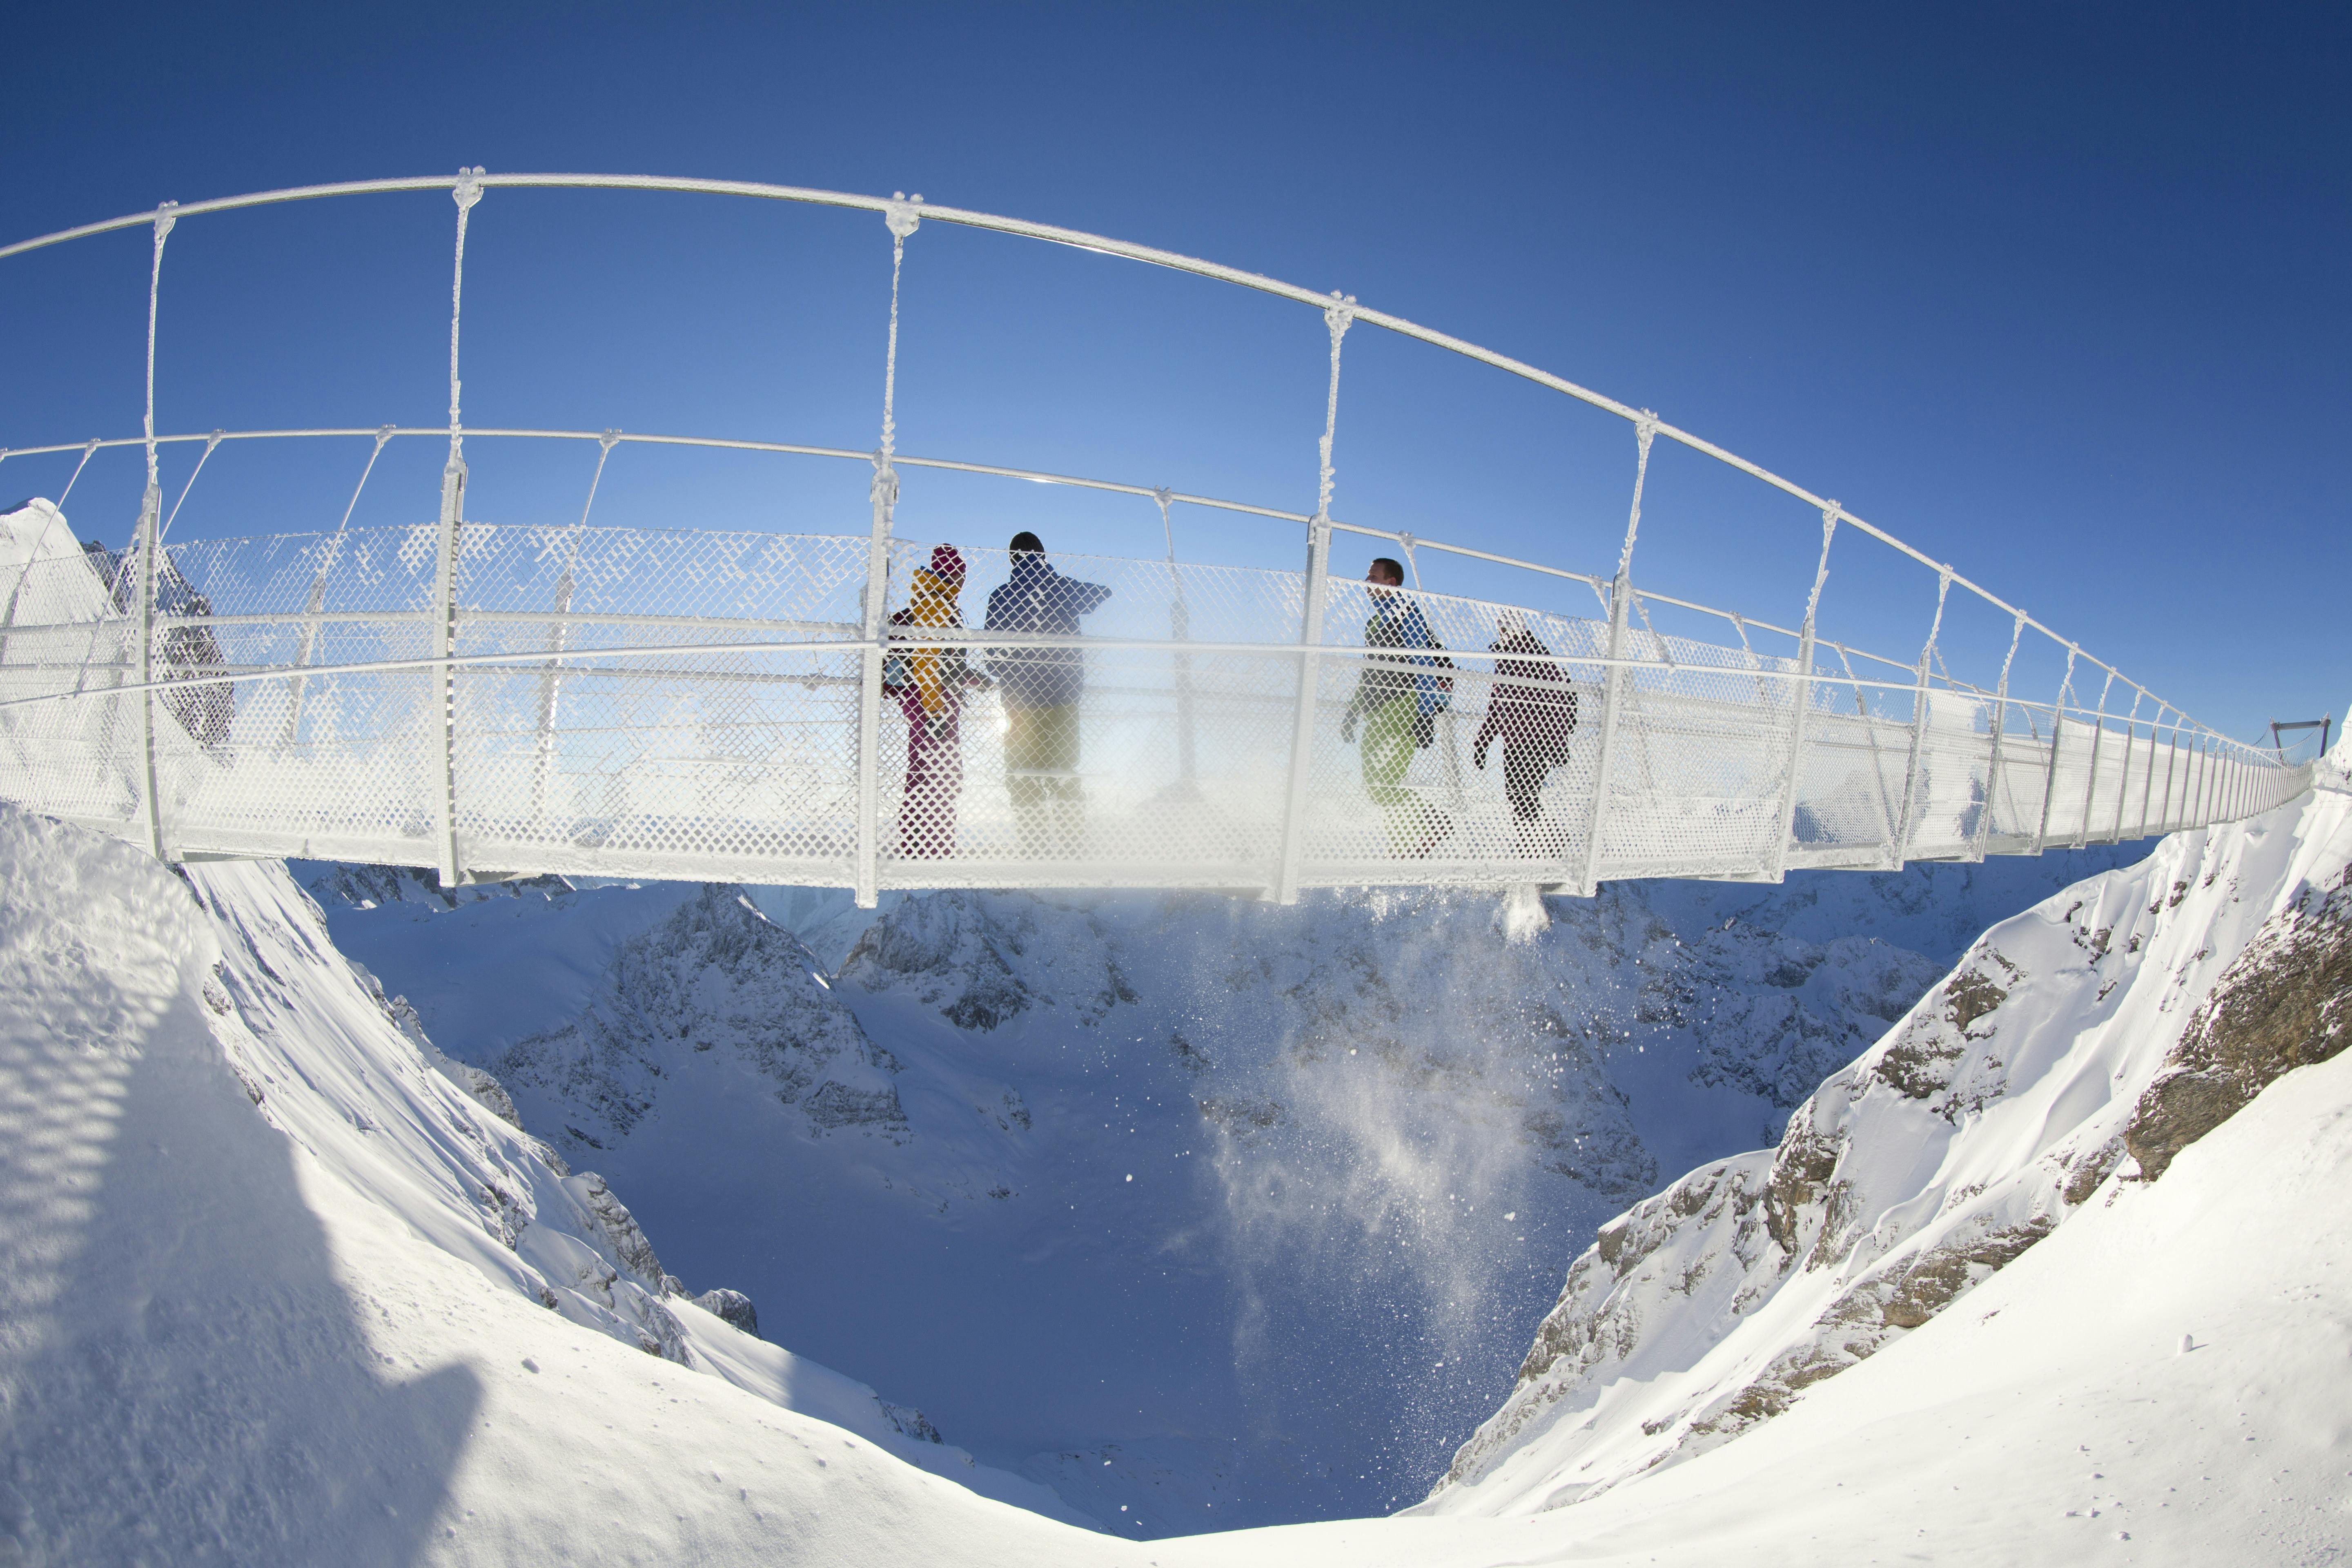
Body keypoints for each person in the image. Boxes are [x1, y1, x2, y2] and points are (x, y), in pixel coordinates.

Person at [984, 532, 1111, 857]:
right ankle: (1072, 846)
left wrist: (1014, 663)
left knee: (1022, 775)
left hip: (1019, 703)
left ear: (1012, 559)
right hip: (1063, 696)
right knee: (1065, 771)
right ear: (1042, 555)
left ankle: (1034, 848)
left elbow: (992, 658)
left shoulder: (1001, 597)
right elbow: (1101, 595)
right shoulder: (1064, 589)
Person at [1339, 557, 1454, 856]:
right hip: (1376, 710)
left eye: (1373, 577)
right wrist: (1353, 711)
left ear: (1391, 583)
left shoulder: (1405, 612)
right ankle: (1421, 831)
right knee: (1377, 786)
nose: (1366, 582)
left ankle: (1411, 841)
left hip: (1403, 705)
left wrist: (1425, 713)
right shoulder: (1375, 620)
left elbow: (1424, 661)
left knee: (1386, 783)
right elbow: (1369, 670)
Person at [884, 544, 989, 858]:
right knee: (944, 776)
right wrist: (969, 685)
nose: (961, 582)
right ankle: (934, 847)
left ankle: (917, 844)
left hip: (922, 702)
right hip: (936, 705)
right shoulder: (939, 607)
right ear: (954, 575)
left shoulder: (918, 606)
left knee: (921, 772)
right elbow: (939, 666)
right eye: (960, 576)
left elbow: (925, 661)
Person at [1472, 608, 1577, 852]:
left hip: (1539, 741)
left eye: (1507, 628)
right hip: (1515, 743)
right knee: (1516, 796)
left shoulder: (1536, 656)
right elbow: (1497, 706)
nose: (1503, 633)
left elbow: (1559, 700)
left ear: (1519, 627)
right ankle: (1532, 845)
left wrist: (1558, 742)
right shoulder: (1503, 660)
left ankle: (1543, 846)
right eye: (1501, 629)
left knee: (1526, 796)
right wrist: (1483, 743)